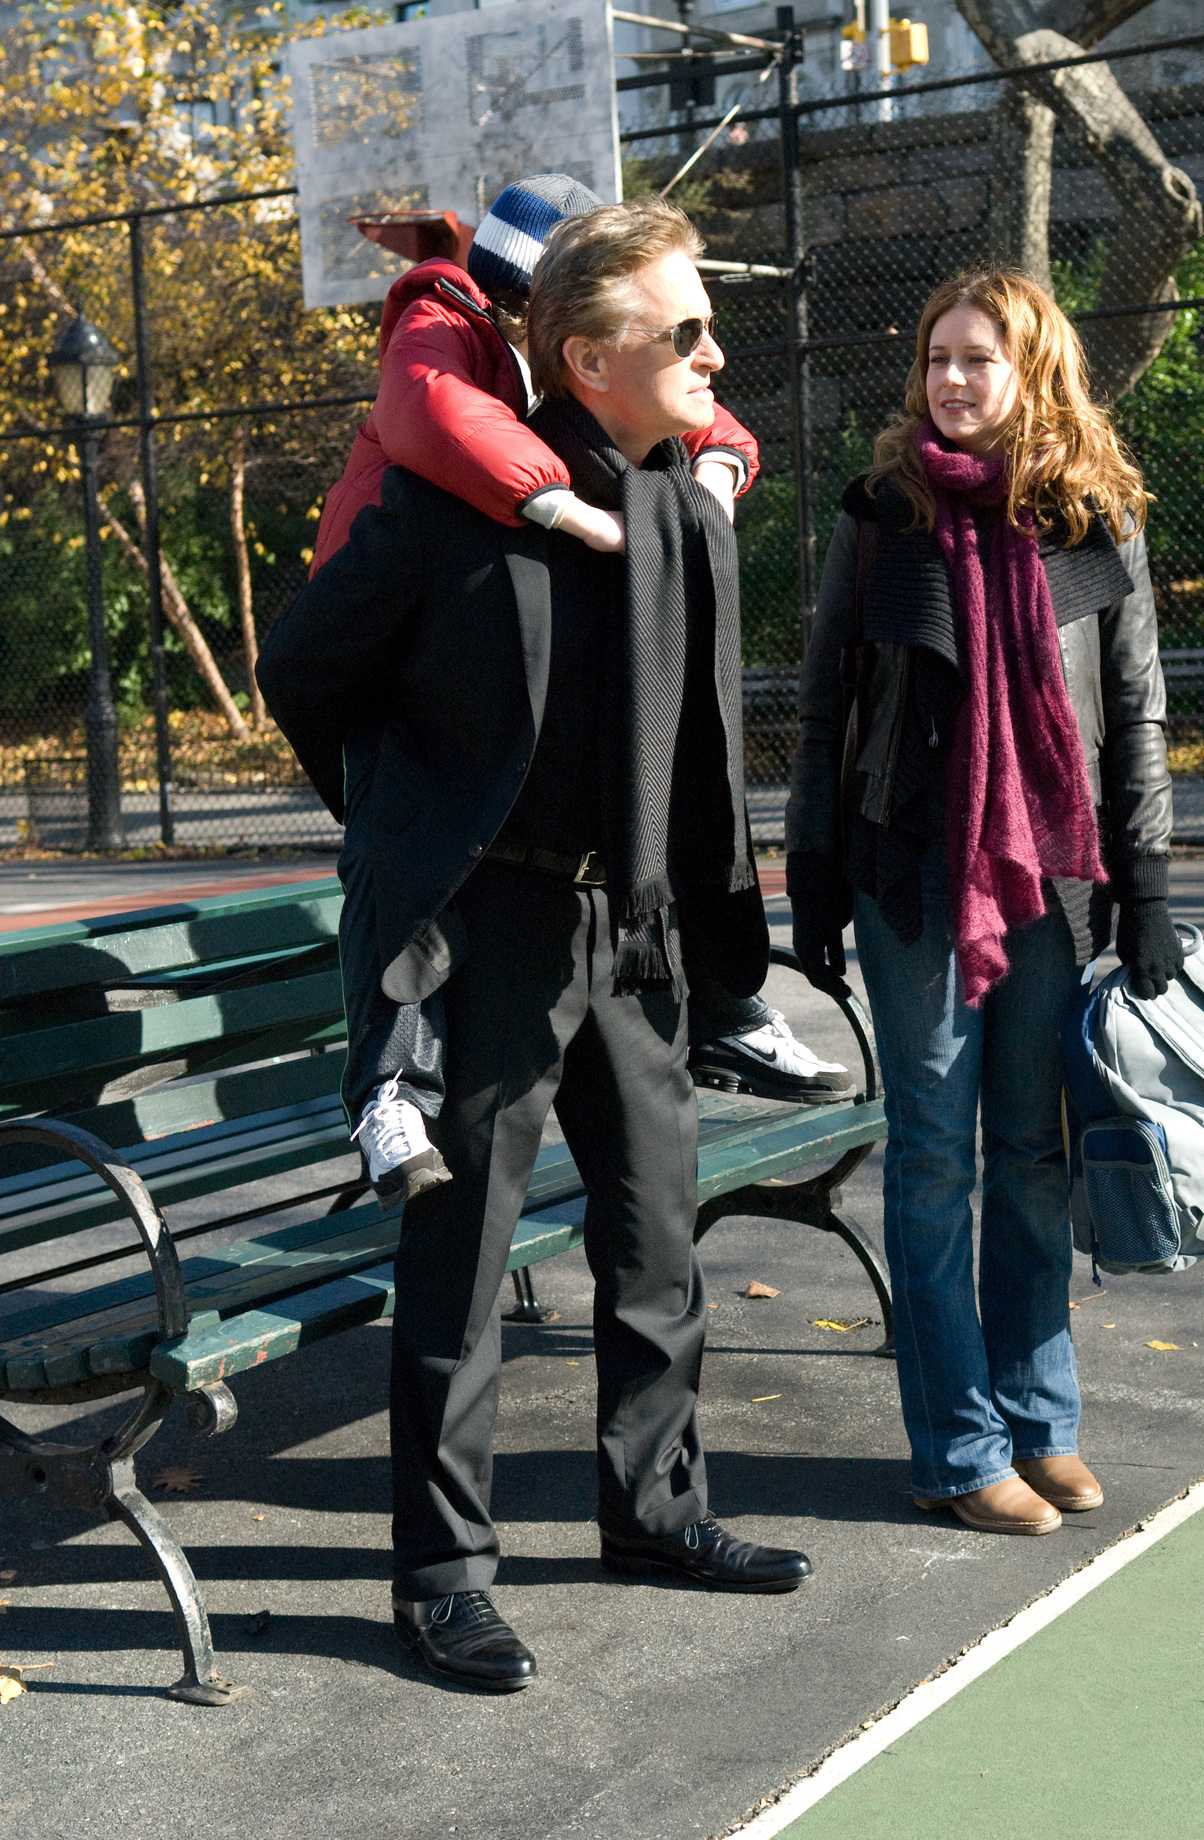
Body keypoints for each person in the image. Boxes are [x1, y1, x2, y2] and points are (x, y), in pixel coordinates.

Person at [257, 198, 814, 1695]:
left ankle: (657, 1513)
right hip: (493, 926)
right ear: (584, 356)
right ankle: (441, 1579)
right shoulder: (456, 511)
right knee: (463, 1260)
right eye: (683, 330)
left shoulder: (682, 505)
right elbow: (305, 670)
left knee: (655, 1239)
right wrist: (406, 815)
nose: (714, 350)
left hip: (632, 922)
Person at [314, 176, 852, 1206]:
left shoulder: (579, 353)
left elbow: (714, 420)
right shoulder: (447, 322)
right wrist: (573, 513)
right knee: (396, 867)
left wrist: (713, 483)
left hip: (598, 889)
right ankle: (385, 1086)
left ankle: (726, 1010)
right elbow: (431, 418)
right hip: (385, 641)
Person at [784, 268, 1179, 1536]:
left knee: (1029, 1154)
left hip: (1053, 880)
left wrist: (1149, 880)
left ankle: (1036, 1417)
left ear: (1033, 371)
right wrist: (809, 862)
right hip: (911, 875)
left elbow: (1134, 712)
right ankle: (957, 1447)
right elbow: (824, 698)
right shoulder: (879, 511)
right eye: (935, 356)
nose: (950, 380)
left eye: (977, 358)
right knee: (932, 1156)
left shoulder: (1091, 518)